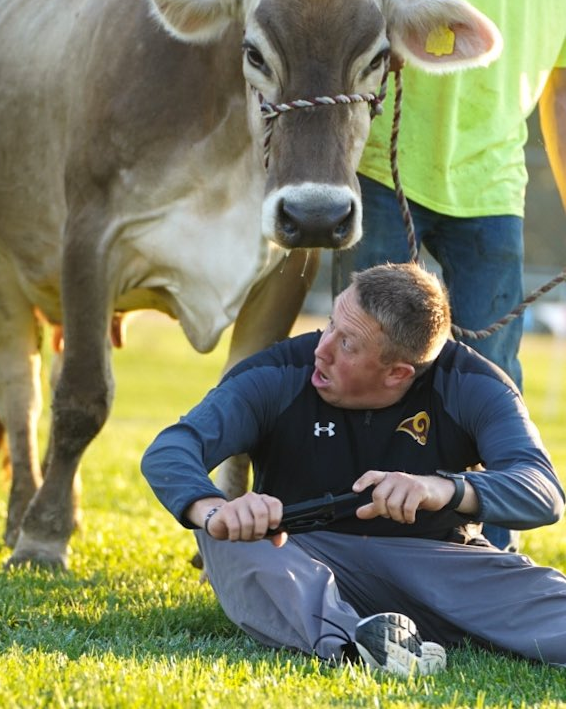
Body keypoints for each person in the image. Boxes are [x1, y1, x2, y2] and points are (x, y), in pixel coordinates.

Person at [141, 263, 566, 675]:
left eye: (347, 343)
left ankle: (390, 636)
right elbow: (172, 448)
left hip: (439, 567)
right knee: (229, 536)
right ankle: (358, 645)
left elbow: (542, 492)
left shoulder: (473, 383)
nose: (321, 348)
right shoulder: (280, 371)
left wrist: (441, 489)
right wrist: (214, 509)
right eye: (330, 325)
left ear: (398, 373)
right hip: (299, 557)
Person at [350, 0, 566, 551]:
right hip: (388, 167)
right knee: (366, 359)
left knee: (494, 377)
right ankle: (353, 532)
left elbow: (557, 93)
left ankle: (488, 555)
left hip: (492, 185)